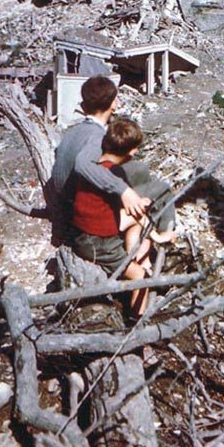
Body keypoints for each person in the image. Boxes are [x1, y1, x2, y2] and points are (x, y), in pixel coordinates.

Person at [71, 117, 159, 317]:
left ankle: (132, 256)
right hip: (97, 243)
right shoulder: (116, 174)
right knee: (140, 276)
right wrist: (144, 208)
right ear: (131, 152)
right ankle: (137, 320)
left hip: (84, 230)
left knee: (136, 222)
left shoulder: (94, 169)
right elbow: (134, 210)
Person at [47, 76, 149, 246]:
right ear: (113, 104)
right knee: (140, 171)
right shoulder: (97, 137)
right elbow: (82, 164)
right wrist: (123, 190)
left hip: (62, 198)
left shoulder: (74, 130)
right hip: (76, 211)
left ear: (84, 106)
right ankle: (139, 222)